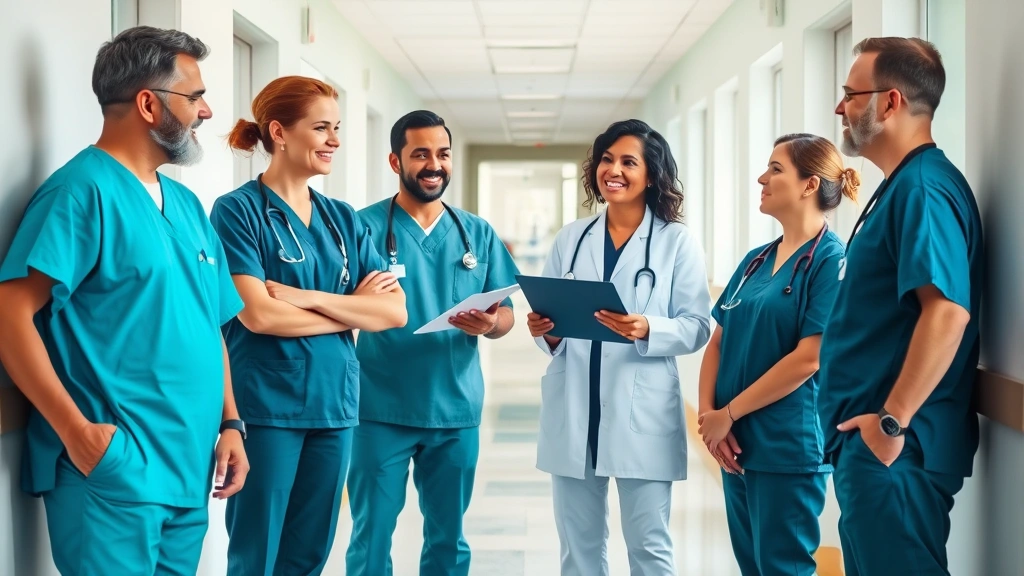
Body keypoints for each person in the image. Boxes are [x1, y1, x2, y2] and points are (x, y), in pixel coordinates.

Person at [0, 26, 247, 575]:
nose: (206, 112)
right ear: (148, 104)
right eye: (195, 96)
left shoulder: (185, 204)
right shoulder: (80, 192)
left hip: (189, 468)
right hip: (115, 470)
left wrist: (231, 424)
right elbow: (10, 314)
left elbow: (211, 325)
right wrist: (76, 432)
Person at [211, 76, 408, 576]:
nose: (335, 141)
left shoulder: (343, 218)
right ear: (279, 132)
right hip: (269, 410)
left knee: (308, 556)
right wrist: (347, 309)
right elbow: (257, 314)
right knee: (257, 552)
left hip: (334, 409)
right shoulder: (238, 212)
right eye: (322, 128)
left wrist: (311, 299)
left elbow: (393, 312)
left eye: (337, 128)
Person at [821, 37, 983, 575]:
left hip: (897, 453)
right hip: (880, 454)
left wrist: (890, 424)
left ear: (890, 103)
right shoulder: (901, 186)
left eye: (850, 94)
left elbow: (947, 311)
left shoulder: (923, 190)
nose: (840, 107)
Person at [527, 119, 712, 576]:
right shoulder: (572, 238)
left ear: (652, 174)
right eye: (607, 159)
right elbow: (552, 327)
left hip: (639, 411)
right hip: (575, 410)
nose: (614, 169)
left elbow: (698, 325)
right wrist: (544, 328)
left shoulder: (675, 242)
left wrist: (648, 327)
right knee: (579, 550)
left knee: (649, 547)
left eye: (629, 161)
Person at [345, 110, 520, 576]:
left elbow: (507, 317)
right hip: (379, 409)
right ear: (395, 160)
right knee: (371, 536)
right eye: (420, 153)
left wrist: (490, 325)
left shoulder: (476, 233)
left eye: (442, 154)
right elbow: (337, 306)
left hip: (455, 410)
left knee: (448, 538)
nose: (434, 164)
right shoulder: (360, 227)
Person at [697, 134, 858, 576]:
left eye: (775, 169)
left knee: (782, 567)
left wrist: (727, 413)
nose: (761, 178)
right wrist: (711, 419)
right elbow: (719, 340)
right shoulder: (755, 260)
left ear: (809, 185)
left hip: (786, 447)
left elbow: (811, 357)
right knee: (752, 566)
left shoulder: (831, 259)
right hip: (734, 443)